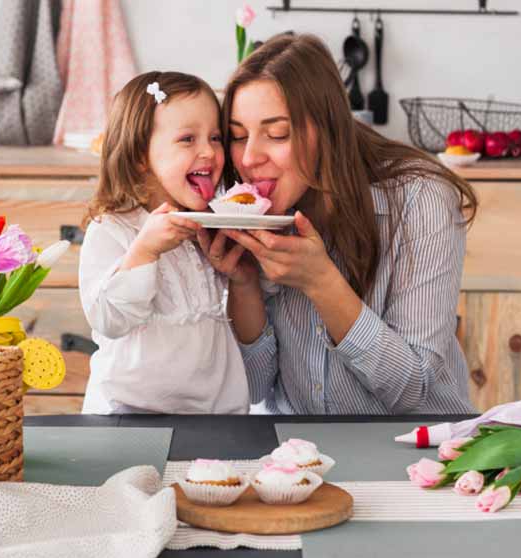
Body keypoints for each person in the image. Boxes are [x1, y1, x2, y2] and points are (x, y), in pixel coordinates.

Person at [198, 34, 479, 414]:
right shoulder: (250, 208)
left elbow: (412, 389)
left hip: (413, 449)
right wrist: (244, 285)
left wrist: (321, 281)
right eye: (237, 136)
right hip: (299, 456)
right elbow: (253, 389)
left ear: (327, 130)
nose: (248, 158)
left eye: (277, 133)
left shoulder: (420, 199)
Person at [78, 71, 249, 414]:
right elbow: (108, 319)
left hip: (214, 414)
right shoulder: (112, 228)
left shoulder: (206, 226)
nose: (209, 152)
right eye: (188, 139)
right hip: (129, 413)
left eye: (215, 138)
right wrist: (145, 251)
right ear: (141, 155)